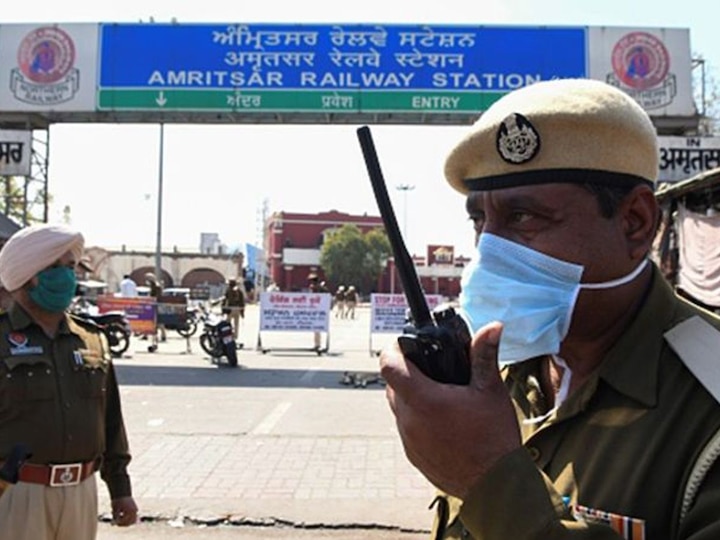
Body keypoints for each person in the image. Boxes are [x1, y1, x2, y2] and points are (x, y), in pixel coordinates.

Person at [379, 78, 720, 539]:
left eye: (524, 218)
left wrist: (486, 479)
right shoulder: (496, 370)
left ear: (636, 223)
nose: (489, 252)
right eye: (480, 221)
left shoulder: (706, 404)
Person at [0, 223, 138, 539]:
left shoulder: (91, 339)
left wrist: (120, 489)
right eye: (53, 267)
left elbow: (111, 422)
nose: (64, 276)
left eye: (70, 266)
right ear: (26, 274)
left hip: (81, 492)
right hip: (16, 493)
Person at [145, 272, 166, 347]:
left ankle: (160, 335)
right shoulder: (156, 285)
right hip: (156, 305)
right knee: (158, 321)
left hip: (156, 306)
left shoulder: (155, 286)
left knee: (156, 320)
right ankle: (162, 335)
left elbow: (155, 296)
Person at [222, 276, 246, 341]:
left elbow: (224, 300)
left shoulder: (228, 290)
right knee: (236, 324)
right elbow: (242, 301)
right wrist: (242, 312)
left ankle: (228, 336)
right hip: (237, 309)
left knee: (227, 323)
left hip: (230, 308)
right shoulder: (239, 291)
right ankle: (235, 336)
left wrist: (223, 310)